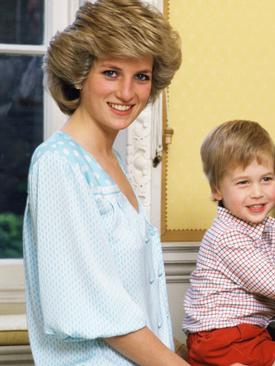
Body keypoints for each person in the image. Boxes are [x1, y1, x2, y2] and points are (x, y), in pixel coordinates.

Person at [22, 1, 185, 364]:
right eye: (111, 73)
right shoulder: (58, 164)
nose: (127, 93)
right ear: (80, 74)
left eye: (141, 76)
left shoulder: (113, 162)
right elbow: (94, 307)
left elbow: (129, 296)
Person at [183, 120, 275, 366]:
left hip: (241, 333)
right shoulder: (228, 236)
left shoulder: (252, 227)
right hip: (223, 339)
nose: (257, 192)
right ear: (217, 190)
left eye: (266, 179)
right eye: (243, 182)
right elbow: (272, 283)